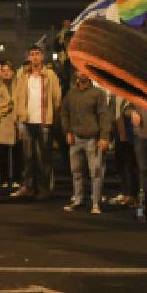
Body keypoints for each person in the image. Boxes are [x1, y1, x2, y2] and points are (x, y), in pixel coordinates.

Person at [12, 46, 61, 200]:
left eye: (37, 54)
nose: (34, 57)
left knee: (44, 158)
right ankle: (28, 186)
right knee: (28, 156)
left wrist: (55, 118)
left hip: (44, 120)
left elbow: (56, 97)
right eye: (32, 54)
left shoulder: (50, 75)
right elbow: (17, 97)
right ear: (28, 57)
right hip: (26, 120)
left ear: (42, 57)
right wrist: (18, 118)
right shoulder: (23, 75)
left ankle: (45, 188)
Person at [61, 70, 111, 213]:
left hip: (93, 138)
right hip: (75, 138)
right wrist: (68, 131)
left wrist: (104, 137)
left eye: (84, 71)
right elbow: (64, 112)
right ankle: (78, 200)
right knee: (76, 172)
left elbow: (104, 116)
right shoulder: (71, 94)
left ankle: (95, 203)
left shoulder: (98, 93)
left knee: (95, 173)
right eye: (78, 70)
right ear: (76, 73)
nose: (81, 73)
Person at [0, 61, 20, 188]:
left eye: (8, 70)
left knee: (18, 152)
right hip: (3, 122)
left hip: (17, 122)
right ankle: (4, 179)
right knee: (3, 152)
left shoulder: (19, 87)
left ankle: (17, 178)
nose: (6, 72)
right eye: (4, 70)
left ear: (13, 73)